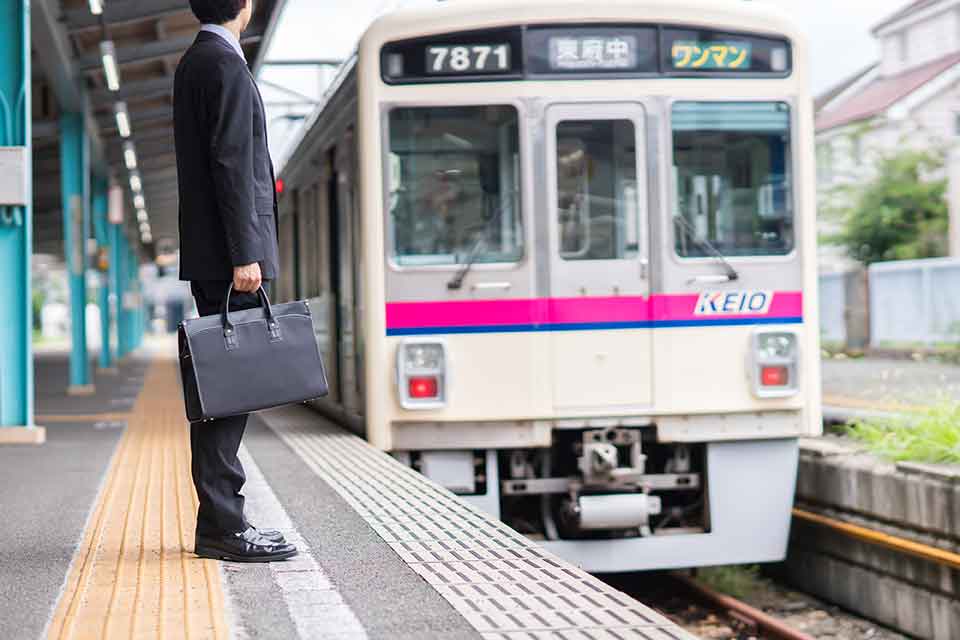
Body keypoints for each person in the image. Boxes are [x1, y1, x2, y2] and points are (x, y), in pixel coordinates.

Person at [174, 0, 297, 562]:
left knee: (224, 390)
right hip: (230, 259)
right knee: (230, 391)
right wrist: (245, 254)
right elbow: (230, 163)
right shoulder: (221, 65)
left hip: (215, 253)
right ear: (243, 7)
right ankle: (225, 525)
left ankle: (220, 521)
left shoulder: (197, 61)